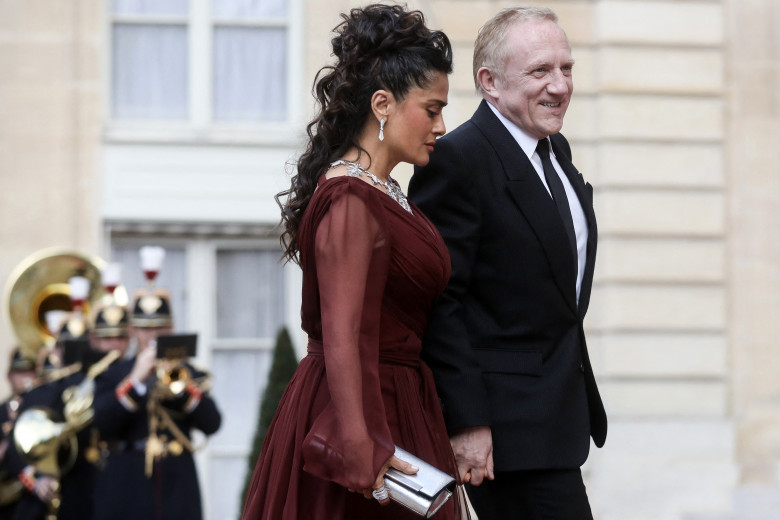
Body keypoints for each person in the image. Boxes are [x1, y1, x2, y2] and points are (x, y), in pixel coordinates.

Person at [242, 4, 465, 520]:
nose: (441, 125)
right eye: (431, 109)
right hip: (358, 413)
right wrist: (360, 447)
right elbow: (341, 335)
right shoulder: (349, 200)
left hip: (401, 403)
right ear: (382, 104)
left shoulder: (385, 193)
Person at [408, 6, 608, 519]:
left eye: (566, 69)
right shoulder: (459, 159)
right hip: (502, 437)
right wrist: (467, 422)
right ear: (489, 83)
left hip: (555, 423)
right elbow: (439, 301)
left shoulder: (554, 149)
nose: (560, 86)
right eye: (541, 71)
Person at [91, 276, 221, 520]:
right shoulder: (113, 373)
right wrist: (136, 381)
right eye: (145, 328)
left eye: (160, 327)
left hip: (176, 483)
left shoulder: (189, 373)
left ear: (171, 329)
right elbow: (101, 424)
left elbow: (212, 423)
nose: (152, 334)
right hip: (125, 481)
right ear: (132, 330)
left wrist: (182, 387)